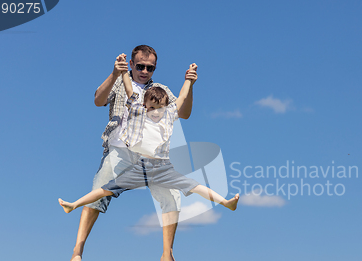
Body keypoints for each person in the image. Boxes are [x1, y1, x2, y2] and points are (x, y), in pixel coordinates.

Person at [68, 45, 196, 261]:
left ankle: (167, 253)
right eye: (140, 66)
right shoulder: (120, 80)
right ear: (132, 65)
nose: (145, 71)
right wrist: (115, 73)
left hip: (151, 154)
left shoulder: (160, 89)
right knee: (98, 192)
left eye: (150, 67)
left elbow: (183, 113)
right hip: (120, 149)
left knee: (172, 198)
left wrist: (190, 84)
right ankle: (78, 250)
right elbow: (98, 100)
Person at [59, 58, 239, 216]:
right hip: (140, 167)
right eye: (151, 108)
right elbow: (129, 89)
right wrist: (122, 72)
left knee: (193, 185)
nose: (154, 112)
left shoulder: (168, 114)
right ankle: (73, 205)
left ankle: (225, 202)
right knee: (106, 189)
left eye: (158, 108)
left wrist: (189, 80)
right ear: (145, 107)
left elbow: (182, 97)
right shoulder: (139, 112)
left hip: (162, 168)